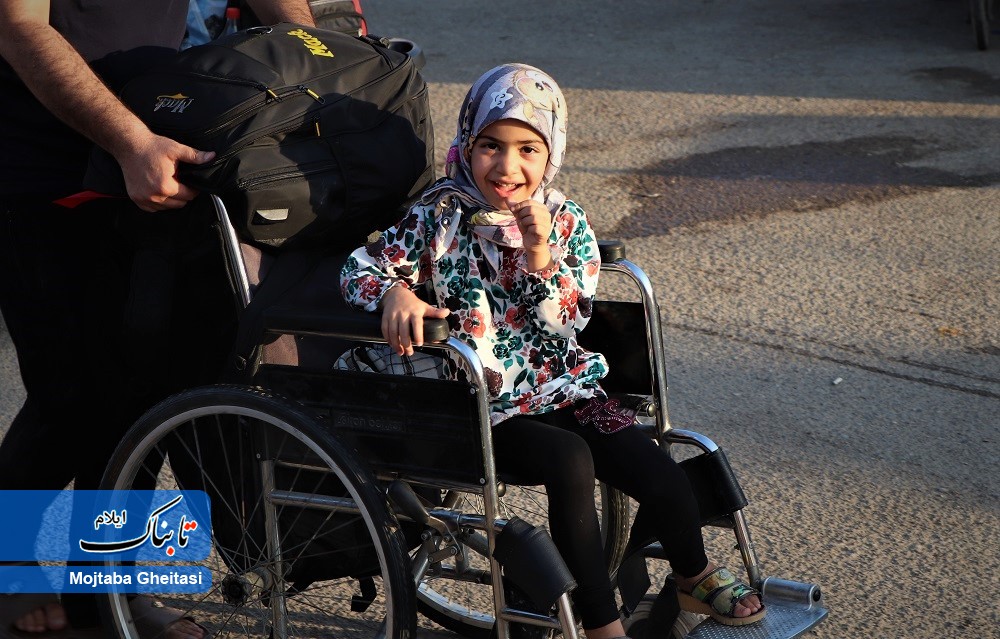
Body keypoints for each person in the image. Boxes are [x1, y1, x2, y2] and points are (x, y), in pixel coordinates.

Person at [340, 63, 766, 636]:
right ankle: (601, 624)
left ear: (551, 154)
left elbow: (567, 321)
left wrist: (538, 252)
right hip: (480, 404)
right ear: (468, 144)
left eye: (527, 150)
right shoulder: (437, 215)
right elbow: (358, 268)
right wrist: (395, 291)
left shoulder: (564, 220)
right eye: (490, 145)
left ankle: (693, 575)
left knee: (657, 472)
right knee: (570, 461)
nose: (506, 166)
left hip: (560, 384)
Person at [0, 1, 315, 635]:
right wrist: (131, 142)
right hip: (39, 170)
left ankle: (108, 588)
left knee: (148, 387)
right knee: (70, 397)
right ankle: (8, 564)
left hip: (162, 152)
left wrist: (325, 60)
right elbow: (20, 27)